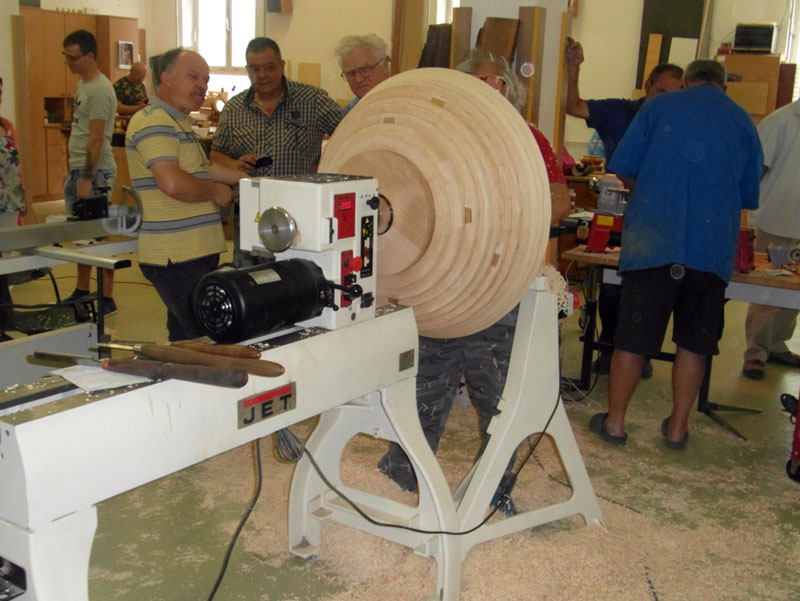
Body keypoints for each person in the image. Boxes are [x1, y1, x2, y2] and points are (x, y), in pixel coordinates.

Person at [377, 49, 571, 516]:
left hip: (499, 288)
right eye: (475, 81)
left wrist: (503, 210)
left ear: (509, 88)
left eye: (494, 80)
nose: (485, 88)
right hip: (435, 288)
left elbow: (560, 204)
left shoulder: (528, 139)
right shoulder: (436, 137)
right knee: (421, 390)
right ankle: (402, 479)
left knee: (500, 396)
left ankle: (495, 485)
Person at [589, 60, 762, 451]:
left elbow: (624, 167)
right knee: (693, 344)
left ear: (686, 82)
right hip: (709, 249)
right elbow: (748, 194)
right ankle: (677, 430)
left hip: (653, 242)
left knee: (632, 341)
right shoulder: (741, 120)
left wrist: (655, 189)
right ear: (723, 86)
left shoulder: (659, 107)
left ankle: (615, 424)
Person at [564, 37, 684, 379]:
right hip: (619, 212)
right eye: (661, 92)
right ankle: (610, 348)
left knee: (649, 291)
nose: (665, 100)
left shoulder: (680, 124)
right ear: (647, 86)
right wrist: (573, 68)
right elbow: (572, 105)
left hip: (660, 218)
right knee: (612, 289)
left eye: (675, 95)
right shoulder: (619, 112)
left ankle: (638, 351)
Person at [126, 49, 242, 341]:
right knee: (203, 337)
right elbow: (172, 183)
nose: (202, 85)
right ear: (166, 78)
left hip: (192, 254)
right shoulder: (154, 121)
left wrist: (250, 180)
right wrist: (215, 192)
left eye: (205, 79)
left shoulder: (177, 122)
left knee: (184, 337)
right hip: (176, 257)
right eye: (193, 77)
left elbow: (204, 169)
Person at [209, 37, 342, 178]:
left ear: (282, 66)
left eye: (269, 68)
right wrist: (234, 164)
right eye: (255, 69)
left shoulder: (313, 100)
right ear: (248, 70)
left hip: (298, 191)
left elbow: (349, 130)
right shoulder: (233, 109)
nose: (262, 75)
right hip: (251, 191)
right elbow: (215, 154)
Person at [61, 30, 118, 319]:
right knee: (81, 234)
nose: (68, 62)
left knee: (98, 234)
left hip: (95, 173)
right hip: (80, 169)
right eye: (65, 56)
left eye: (73, 57)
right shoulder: (83, 85)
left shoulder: (99, 90)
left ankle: (106, 298)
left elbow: (96, 138)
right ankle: (83, 290)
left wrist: (86, 178)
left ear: (90, 56)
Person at [741, 99, 800, 380]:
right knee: (767, 291)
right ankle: (755, 353)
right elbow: (755, 170)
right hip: (776, 221)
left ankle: (777, 345)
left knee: (795, 292)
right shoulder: (780, 121)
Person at [0, 75, 26, 341]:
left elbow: (16, 163)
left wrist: (24, 193)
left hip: (8, 202)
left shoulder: (7, 126)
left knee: (5, 262)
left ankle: (7, 320)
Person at [334, 34, 391, 117]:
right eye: (351, 73)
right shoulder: (348, 113)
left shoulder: (405, 103)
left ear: (384, 66)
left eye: (366, 69)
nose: (358, 79)